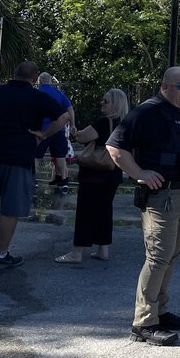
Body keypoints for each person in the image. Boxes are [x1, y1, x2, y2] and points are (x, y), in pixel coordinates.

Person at [107, 67, 180, 346]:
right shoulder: (147, 112)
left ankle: (159, 310)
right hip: (161, 198)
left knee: (171, 257)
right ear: (165, 87)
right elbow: (115, 148)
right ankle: (144, 322)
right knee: (158, 258)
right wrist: (139, 173)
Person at [0, 61, 71, 270]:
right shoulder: (38, 97)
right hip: (20, 159)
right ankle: (1, 255)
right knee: (10, 209)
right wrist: (44, 135)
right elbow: (64, 116)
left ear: (13, 74)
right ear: (35, 79)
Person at [54, 88, 129, 265]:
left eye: (106, 101)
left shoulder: (104, 123)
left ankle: (77, 252)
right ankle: (103, 248)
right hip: (113, 173)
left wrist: (74, 130)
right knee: (104, 211)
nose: (101, 103)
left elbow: (81, 137)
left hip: (96, 174)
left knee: (85, 212)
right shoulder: (124, 123)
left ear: (115, 104)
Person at [36, 72, 75, 192]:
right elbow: (70, 109)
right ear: (50, 81)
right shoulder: (58, 93)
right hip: (58, 129)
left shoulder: (37, 92)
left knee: (36, 155)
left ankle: (32, 178)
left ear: (39, 81)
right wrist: (73, 125)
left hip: (42, 129)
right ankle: (63, 181)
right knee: (60, 156)